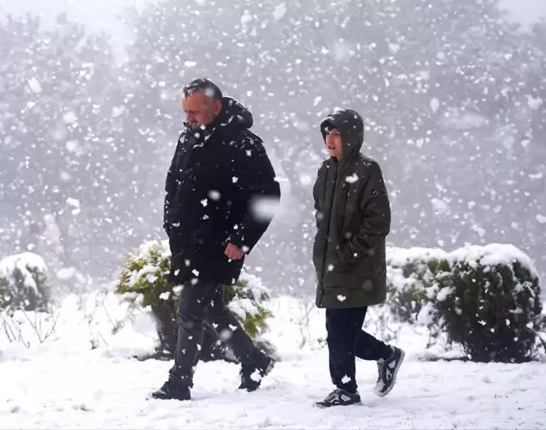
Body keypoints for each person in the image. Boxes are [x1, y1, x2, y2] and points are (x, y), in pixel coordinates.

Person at [152, 78, 281, 401]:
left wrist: (241, 238)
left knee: (189, 311)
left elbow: (267, 195)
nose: (189, 118)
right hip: (186, 242)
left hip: (219, 243)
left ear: (217, 108)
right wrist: (172, 224)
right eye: (186, 112)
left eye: (195, 111)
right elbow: (173, 184)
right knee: (212, 309)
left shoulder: (242, 143)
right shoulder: (188, 139)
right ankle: (253, 360)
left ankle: (179, 381)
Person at [311, 108, 405, 408]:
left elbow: (379, 221)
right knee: (339, 332)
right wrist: (326, 251)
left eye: (336, 134)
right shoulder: (325, 171)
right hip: (331, 266)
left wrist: (350, 251)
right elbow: (321, 214)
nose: (330, 140)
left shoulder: (367, 170)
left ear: (350, 137)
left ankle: (346, 389)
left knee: (341, 333)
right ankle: (387, 355)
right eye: (327, 134)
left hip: (357, 268)